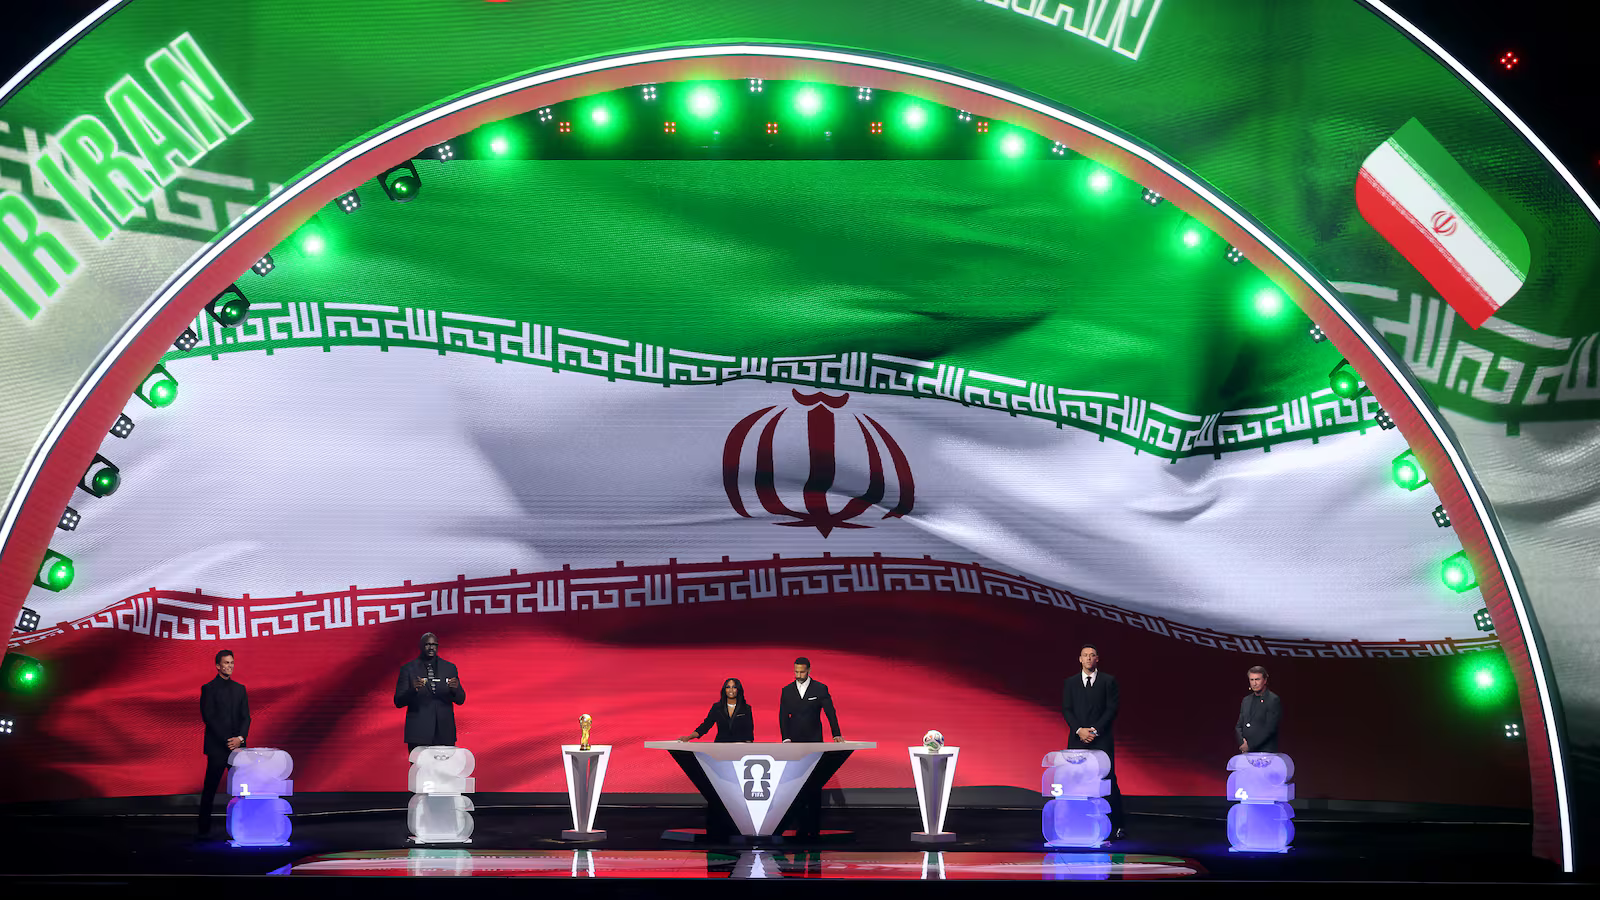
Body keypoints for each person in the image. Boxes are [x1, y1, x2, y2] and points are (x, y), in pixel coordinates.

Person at [1061, 643, 1125, 839]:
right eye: (1085, 655)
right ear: (1080, 659)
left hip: (1101, 740)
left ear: (1097, 659)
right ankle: (1077, 824)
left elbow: (1111, 709)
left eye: (1092, 655)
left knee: (1107, 780)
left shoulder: (1108, 681)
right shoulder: (1070, 682)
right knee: (1076, 780)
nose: (1089, 658)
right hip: (1077, 739)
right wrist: (1080, 730)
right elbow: (1067, 709)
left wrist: (1095, 731)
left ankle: (1117, 826)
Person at [778, 657, 844, 839]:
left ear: (809, 670)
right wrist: (786, 738)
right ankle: (800, 828)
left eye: (802, 672)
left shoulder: (820, 688)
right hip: (794, 743)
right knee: (796, 786)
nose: (799, 675)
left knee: (814, 786)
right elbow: (783, 716)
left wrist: (836, 733)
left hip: (815, 741)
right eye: (796, 672)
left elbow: (830, 712)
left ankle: (814, 828)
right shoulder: (787, 690)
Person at [198, 648, 249, 839]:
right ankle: (203, 830)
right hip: (218, 748)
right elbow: (209, 718)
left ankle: (246, 825)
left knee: (243, 789)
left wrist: (240, 739)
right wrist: (228, 741)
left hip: (238, 748)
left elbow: (246, 717)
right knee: (210, 788)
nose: (230, 666)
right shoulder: (208, 688)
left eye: (232, 663)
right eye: (226, 663)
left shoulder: (240, 689)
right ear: (218, 666)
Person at [394, 632, 466, 751]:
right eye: (427, 644)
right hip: (418, 733)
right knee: (419, 769)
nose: (431, 647)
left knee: (444, 769)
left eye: (434, 644)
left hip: (445, 733)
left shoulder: (449, 668)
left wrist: (455, 689)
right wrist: (412, 690)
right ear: (421, 646)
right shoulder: (408, 669)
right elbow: (398, 701)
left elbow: (460, 700)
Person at [679, 678, 755, 743]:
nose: (731, 690)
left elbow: (749, 730)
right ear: (724, 690)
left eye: (734, 687)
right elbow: (706, 725)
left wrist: (748, 747)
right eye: (728, 687)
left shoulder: (746, 708)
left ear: (738, 689)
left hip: (739, 746)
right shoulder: (717, 707)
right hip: (720, 745)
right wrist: (689, 737)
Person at [1236, 665, 1281, 754]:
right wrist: (1242, 743)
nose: (1254, 683)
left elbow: (1270, 729)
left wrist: (1250, 745)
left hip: (1265, 752)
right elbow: (1239, 725)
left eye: (1257, 679)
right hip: (1246, 751)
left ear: (1265, 680)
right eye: (1251, 680)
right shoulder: (1246, 700)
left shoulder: (1273, 700)